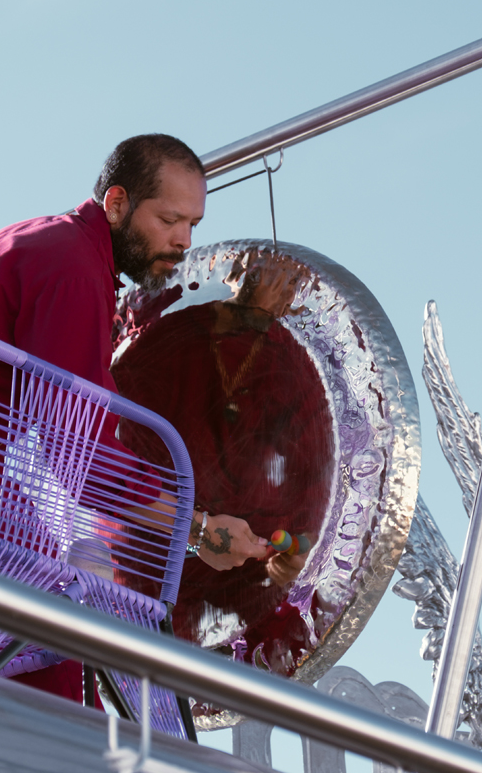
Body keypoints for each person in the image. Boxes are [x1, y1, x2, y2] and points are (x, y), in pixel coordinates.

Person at [0, 134, 270, 702]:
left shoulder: (56, 242)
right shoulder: (72, 266)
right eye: (169, 219)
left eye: (192, 223)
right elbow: (80, 456)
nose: (182, 241)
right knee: (57, 630)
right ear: (116, 203)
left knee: (34, 610)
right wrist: (197, 527)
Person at [110, 252, 335, 676]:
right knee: (141, 687)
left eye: (292, 287)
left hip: (243, 588)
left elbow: (313, 479)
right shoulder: (169, 338)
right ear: (241, 275)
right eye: (275, 280)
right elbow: (114, 449)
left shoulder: (296, 368)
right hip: (147, 560)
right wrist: (195, 527)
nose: (283, 296)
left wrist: (297, 554)